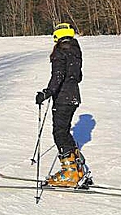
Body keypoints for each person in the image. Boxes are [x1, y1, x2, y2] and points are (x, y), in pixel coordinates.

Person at [35, 23, 87, 187]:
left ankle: (70, 172)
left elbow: (58, 76)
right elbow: (78, 76)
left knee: (59, 133)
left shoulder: (60, 51)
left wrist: (47, 92)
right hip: (73, 97)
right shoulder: (75, 50)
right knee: (64, 131)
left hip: (63, 98)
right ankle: (78, 169)